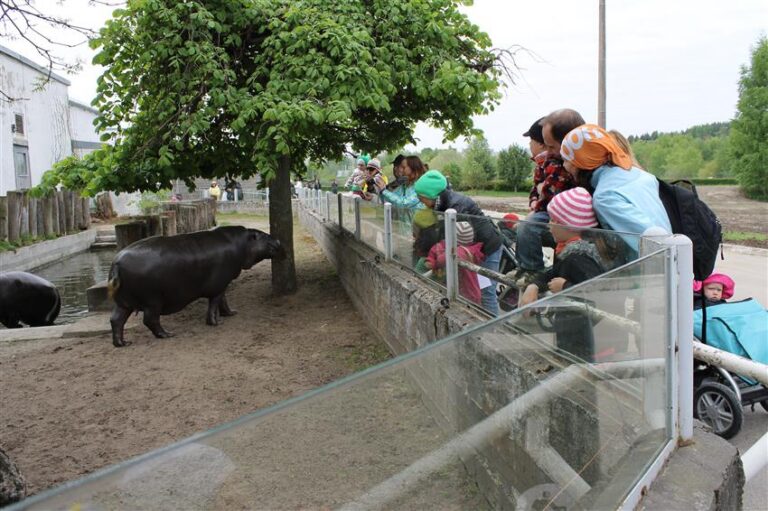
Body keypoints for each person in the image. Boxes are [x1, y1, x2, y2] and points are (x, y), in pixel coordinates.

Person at [519, 187, 606, 361]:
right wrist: (534, 285)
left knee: (578, 377)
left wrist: (565, 287)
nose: (549, 224)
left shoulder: (579, 257)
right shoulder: (570, 251)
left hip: (582, 336)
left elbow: (597, 292)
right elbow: (553, 273)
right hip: (571, 327)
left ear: (569, 226)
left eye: (554, 219)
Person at [559, 124, 672, 253]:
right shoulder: (640, 175)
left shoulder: (606, 196)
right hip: (672, 261)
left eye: (566, 160)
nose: (565, 166)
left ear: (580, 162)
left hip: (645, 270)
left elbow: (654, 245)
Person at [414, 170, 503, 316]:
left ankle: (492, 332)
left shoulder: (455, 208)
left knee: (486, 291)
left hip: (488, 249)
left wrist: (438, 260)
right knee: (476, 289)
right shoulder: (442, 204)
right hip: (474, 249)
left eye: (421, 196)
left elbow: (455, 244)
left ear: (430, 194)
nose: (419, 200)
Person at [516, 116, 575, 285]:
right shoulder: (542, 163)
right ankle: (525, 266)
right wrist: (534, 199)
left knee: (528, 227)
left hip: (551, 211)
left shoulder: (555, 163)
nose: (529, 145)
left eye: (531, 141)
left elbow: (549, 191)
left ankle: (533, 268)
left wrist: (538, 205)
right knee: (524, 227)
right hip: (545, 209)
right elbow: (536, 188)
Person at [425, 221, 486, 305]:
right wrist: (431, 259)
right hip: (468, 292)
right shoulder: (472, 249)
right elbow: (437, 249)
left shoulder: (460, 251)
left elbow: (443, 259)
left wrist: (434, 264)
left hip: (467, 294)